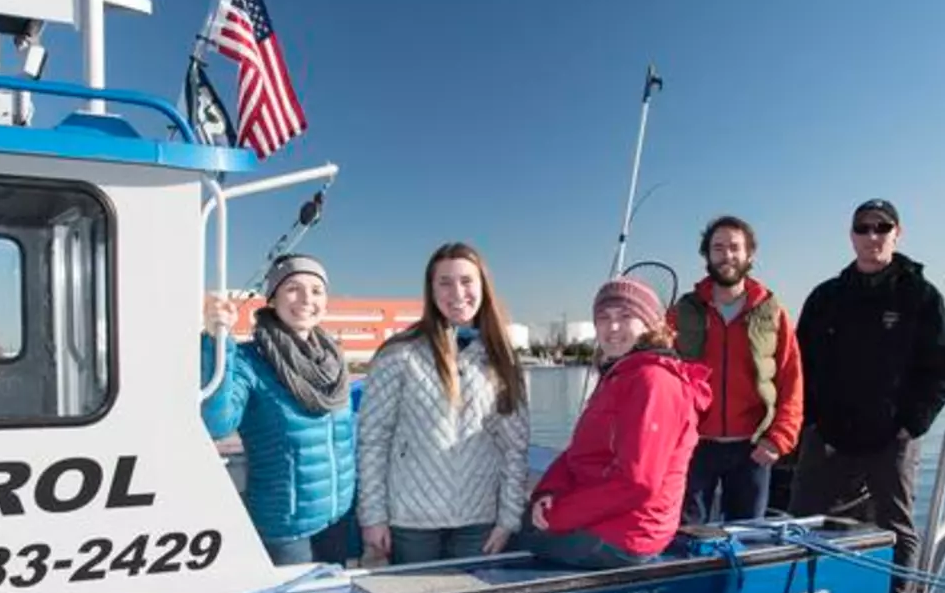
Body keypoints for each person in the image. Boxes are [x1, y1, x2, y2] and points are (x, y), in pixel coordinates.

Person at [791, 198, 945, 593]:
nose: (872, 236)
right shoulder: (825, 297)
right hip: (829, 434)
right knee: (798, 522)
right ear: (851, 237)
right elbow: (799, 367)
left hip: (892, 436)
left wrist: (910, 425)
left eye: (881, 228)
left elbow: (942, 368)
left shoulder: (921, 296)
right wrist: (812, 422)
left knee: (896, 527)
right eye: (863, 228)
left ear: (896, 234)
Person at [519, 277, 712, 569]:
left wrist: (558, 515)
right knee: (516, 515)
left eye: (625, 317)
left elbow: (637, 483)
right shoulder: (621, 375)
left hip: (627, 534)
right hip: (601, 515)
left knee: (503, 531)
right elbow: (577, 454)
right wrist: (548, 492)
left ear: (651, 325)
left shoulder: (654, 382)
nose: (613, 328)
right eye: (603, 318)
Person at [356, 242, 529, 565]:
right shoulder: (399, 354)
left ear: (482, 287)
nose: (457, 292)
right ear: (431, 291)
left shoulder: (502, 359)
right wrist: (373, 516)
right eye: (445, 282)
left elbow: (514, 448)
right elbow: (373, 441)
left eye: (466, 281)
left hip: (479, 522)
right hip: (411, 523)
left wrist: (508, 519)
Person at [200, 254, 356, 567]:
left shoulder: (332, 359)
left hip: (337, 519)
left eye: (316, 290)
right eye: (293, 289)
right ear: (272, 299)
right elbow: (216, 424)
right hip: (287, 530)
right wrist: (217, 344)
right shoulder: (249, 360)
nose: (306, 299)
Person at [668, 215, 803, 523]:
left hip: (752, 450)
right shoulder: (682, 313)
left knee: (747, 539)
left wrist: (779, 439)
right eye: (718, 248)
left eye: (734, 247)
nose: (726, 255)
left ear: (749, 255)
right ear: (707, 255)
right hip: (693, 447)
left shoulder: (772, 313)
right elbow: (659, 374)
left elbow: (791, 381)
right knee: (685, 536)